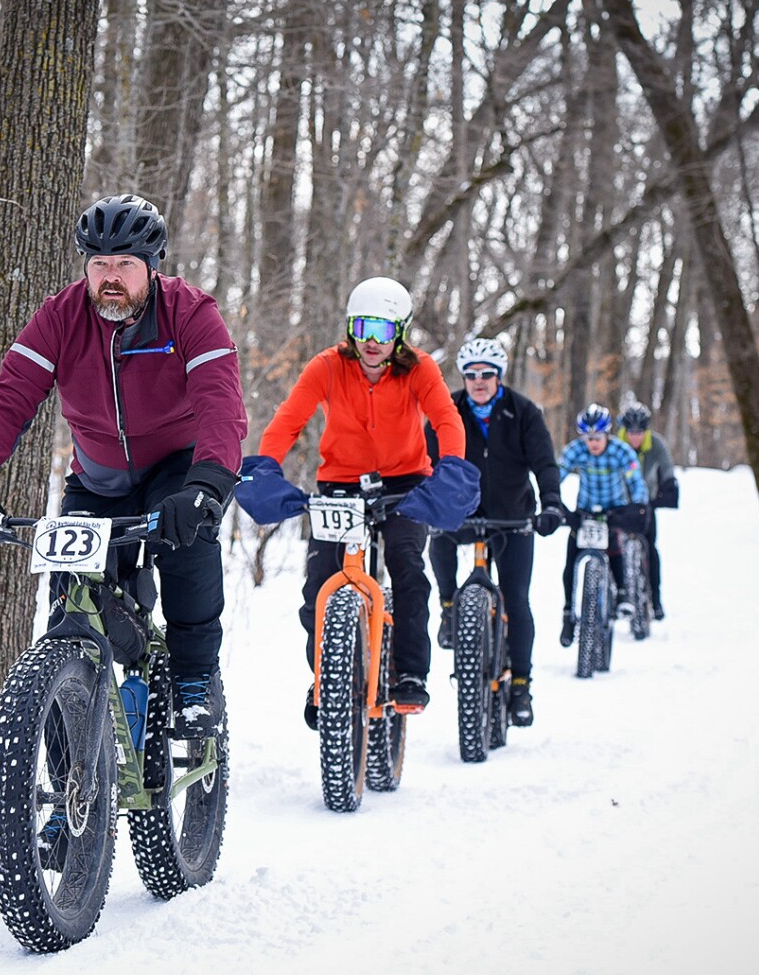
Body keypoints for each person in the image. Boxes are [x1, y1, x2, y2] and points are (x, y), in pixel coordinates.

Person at [0, 193, 247, 738]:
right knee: (72, 603)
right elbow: (8, 397)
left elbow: (221, 405)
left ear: (151, 268)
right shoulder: (59, 317)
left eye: (125, 264)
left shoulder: (191, 314)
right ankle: (68, 771)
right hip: (99, 478)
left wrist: (207, 484)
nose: (111, 277)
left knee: (188, 545)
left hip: (176, 469)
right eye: (100, 264)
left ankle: (195, 679)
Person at [236, 276, 476, 728]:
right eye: (363, 327)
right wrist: (266, 465)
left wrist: (450, 470)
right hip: (340, 484)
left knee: (407, 569)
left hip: (406, 483)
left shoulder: (420, 368)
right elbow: (289, 420)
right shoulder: (326, 366)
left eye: (383, 331)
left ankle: (408, 673)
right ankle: (324, 677)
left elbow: (447, 419)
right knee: (320, 585)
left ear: (399, 333)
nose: (370, 341)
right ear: (350, 326)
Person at [424, 338, 563, 727]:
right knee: (439, 536)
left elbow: (545, 462)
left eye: (486, 374)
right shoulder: (446, 410)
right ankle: (449, 607)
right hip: (461, 511)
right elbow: (423, 460)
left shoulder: (523, 412)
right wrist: (422, 499)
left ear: (498, 376)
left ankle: (521, 686)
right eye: (471, 375)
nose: (479, 381)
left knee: (517, 599)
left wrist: (551, 503)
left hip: (513, 516)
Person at [556, 403, 648, 646]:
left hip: (614, 508)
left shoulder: (621, 451)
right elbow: (558, 473)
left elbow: (635, 480)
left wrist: (638, 506)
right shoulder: (575, 450)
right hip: (585, 508)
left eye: (598, 437)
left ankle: (623, 594)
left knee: (614, 546)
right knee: (572, 556)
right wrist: (553, 500)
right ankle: (568, 613)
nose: (593, 443)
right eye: (588, 437)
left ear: (607, 434)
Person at [616, 402, 676, 620]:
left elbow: (667, 468)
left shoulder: (656, 444)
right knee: (613, 548)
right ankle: (617, 593)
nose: (635, 437)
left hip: (646, 504)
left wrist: (669, 487)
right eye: (631, 432)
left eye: (639, 432)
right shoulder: (616, 445)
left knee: (650, 548)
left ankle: (655, 598)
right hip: (619, 503)